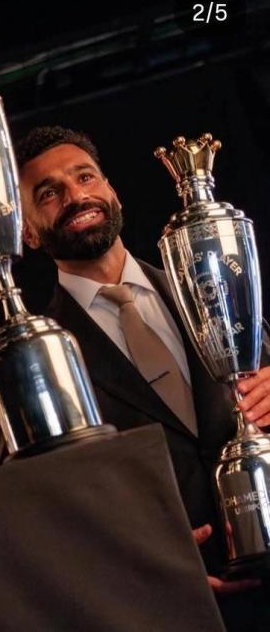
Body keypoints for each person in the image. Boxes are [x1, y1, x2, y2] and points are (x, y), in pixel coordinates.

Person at [15, 125, 270, 631]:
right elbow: (33, 518)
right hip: (169, 612)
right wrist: (140, 575)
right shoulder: (34, 359)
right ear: (27, 231)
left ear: (112, 191)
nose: (76, 196)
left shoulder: (213, 286)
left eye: (85, 177)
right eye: (48, 193)